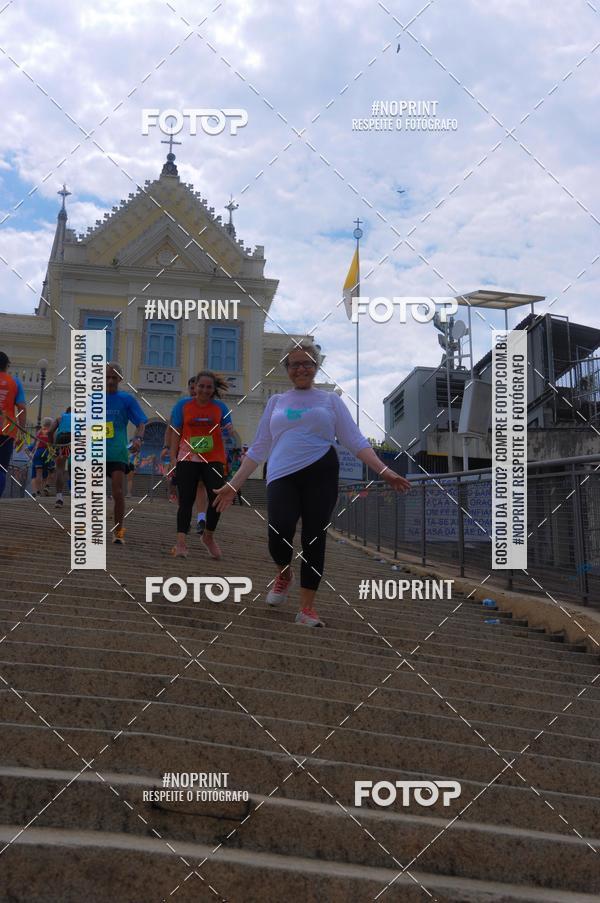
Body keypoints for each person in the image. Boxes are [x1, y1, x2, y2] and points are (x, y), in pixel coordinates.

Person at [214, 339, 411, 627]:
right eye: (295, 364)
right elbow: (258, 447)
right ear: (287, 369)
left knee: (313, 537)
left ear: (316, 367)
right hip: (281, 473)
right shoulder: (276, 402)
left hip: (321, 472)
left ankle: (307, 609)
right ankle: (284, 574)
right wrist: (234, 484)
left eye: (307, 363)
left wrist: (384, 471)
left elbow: (354, 440)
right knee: (278, 529)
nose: (301, 368)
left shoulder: (330, 401)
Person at [168, 370, 233, 559]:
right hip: (187, 457)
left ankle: (208, 537)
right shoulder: (183, 405)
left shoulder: (220, 407)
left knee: (217, 499)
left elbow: (228, 430)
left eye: (208, 387)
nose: (204, 390)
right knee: (186, 500)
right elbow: (175, 431)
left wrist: (228, 429)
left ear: (213, 389)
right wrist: (173, 457)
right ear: (195, 386)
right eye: (201, 386)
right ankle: (181, 543)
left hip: (213, 457)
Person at [105, 362, 147, 544]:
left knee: (118, 492)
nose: (110, 380)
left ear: (120, 379)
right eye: (107, 376)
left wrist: (138, 439)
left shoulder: (126, 399)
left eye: (114, 377)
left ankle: (118, 531)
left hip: (117, 452)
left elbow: (141, 422)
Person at [161, 376, 208, 530]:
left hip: (202, 448)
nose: (196, 391)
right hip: (183, 450)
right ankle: (185, 517)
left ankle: (201, 519)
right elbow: (171, 427)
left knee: (201, 485)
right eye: (192, 388)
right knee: (184, 486)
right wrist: (167, 447)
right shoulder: (181, 406)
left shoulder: (209, 406)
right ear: (189, 389)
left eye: (198, 388)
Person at [0, 352, 27, 499]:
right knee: (1, 468)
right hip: (6, 431)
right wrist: (22, 434)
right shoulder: (14, 382)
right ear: (7, 365)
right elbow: (22, 408)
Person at [49, 406, 72, 507]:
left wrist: (51, 445)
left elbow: (50, 432)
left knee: (60, 468)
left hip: (61, 439)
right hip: (76, 438)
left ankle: (59, 498)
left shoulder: (60, 418)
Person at [31, 417, 53, 495]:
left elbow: (36, 443)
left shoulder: (39, 431)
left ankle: (37, 490)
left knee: (38, 473)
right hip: (48, 453)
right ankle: (45, 487)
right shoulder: (51, 431)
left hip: (38, 452)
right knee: (49, 471)